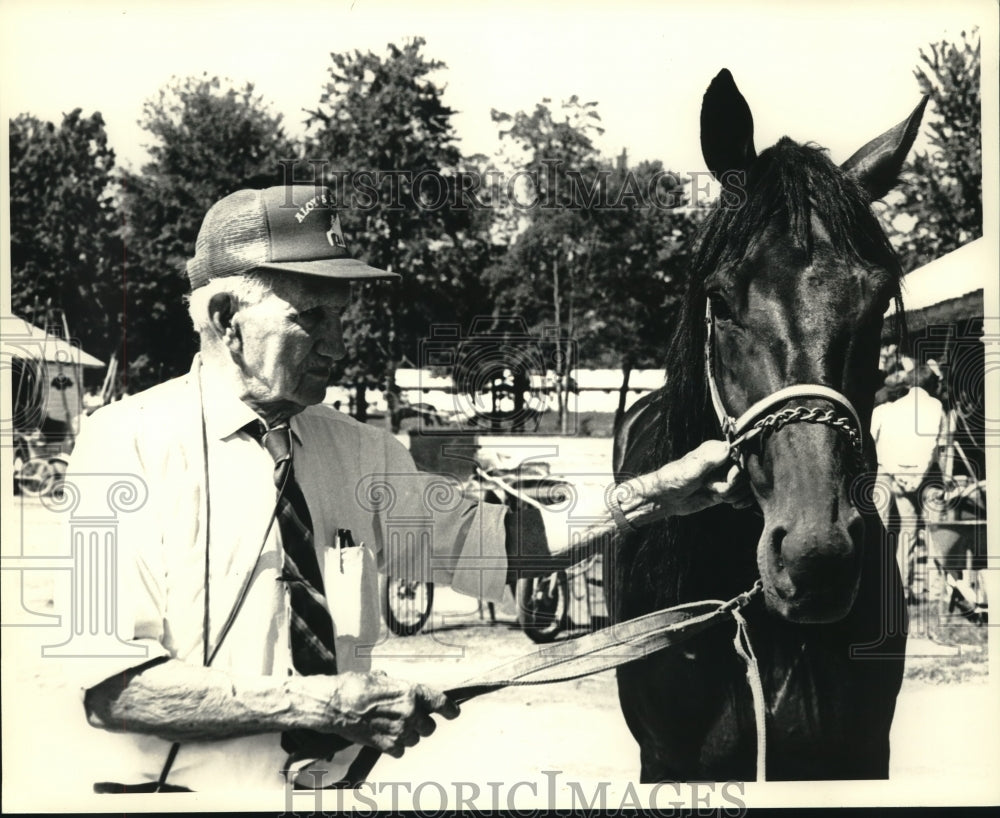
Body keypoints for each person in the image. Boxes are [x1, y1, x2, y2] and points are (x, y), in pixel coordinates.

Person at [69, 185, 749, 793]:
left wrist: (655, 492)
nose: (340, 346)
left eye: (342, 316)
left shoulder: (361, 454)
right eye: (313, 317)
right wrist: (326, 708)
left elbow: (501, 546)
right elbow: (116, 687)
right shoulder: (120, 447)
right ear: (225, 318)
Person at [871, 361, 945, 601]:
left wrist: (900, 476)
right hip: (927, 477)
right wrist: (918, 478)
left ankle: (903, 590)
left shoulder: (888, 409)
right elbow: (936, 446)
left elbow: (879, 445)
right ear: (931, 384)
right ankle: (937, 591)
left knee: (906, 533)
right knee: (936, 532)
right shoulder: (936, 406)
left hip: (895, 476)